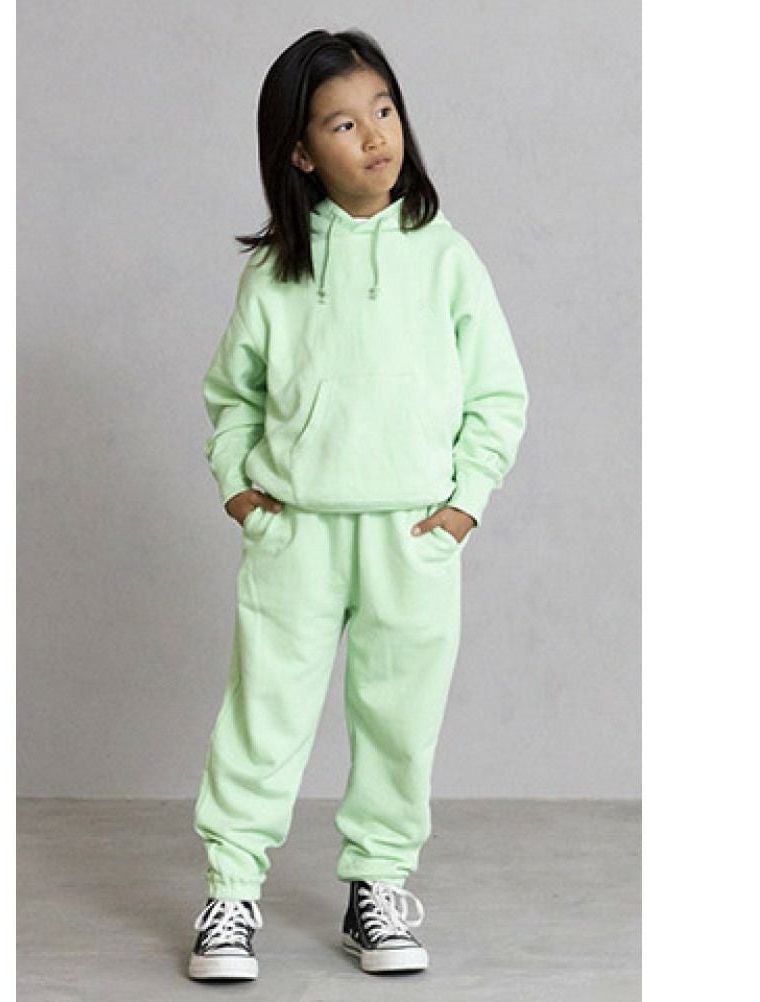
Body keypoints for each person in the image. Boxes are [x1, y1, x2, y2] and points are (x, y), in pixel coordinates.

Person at [187, 27, 529, 982]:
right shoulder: (276, 273)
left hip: (410, 533)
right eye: (343, 124)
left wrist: (463, 505)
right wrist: (243, 491)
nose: (375, 136)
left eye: (384, 110)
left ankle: (377, 885)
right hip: (296, 532)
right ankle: (230, 891)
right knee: (263, 718)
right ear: (301, 153)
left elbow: (498, 393)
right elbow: (232, 396)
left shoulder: (446, 256)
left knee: (398, 722)